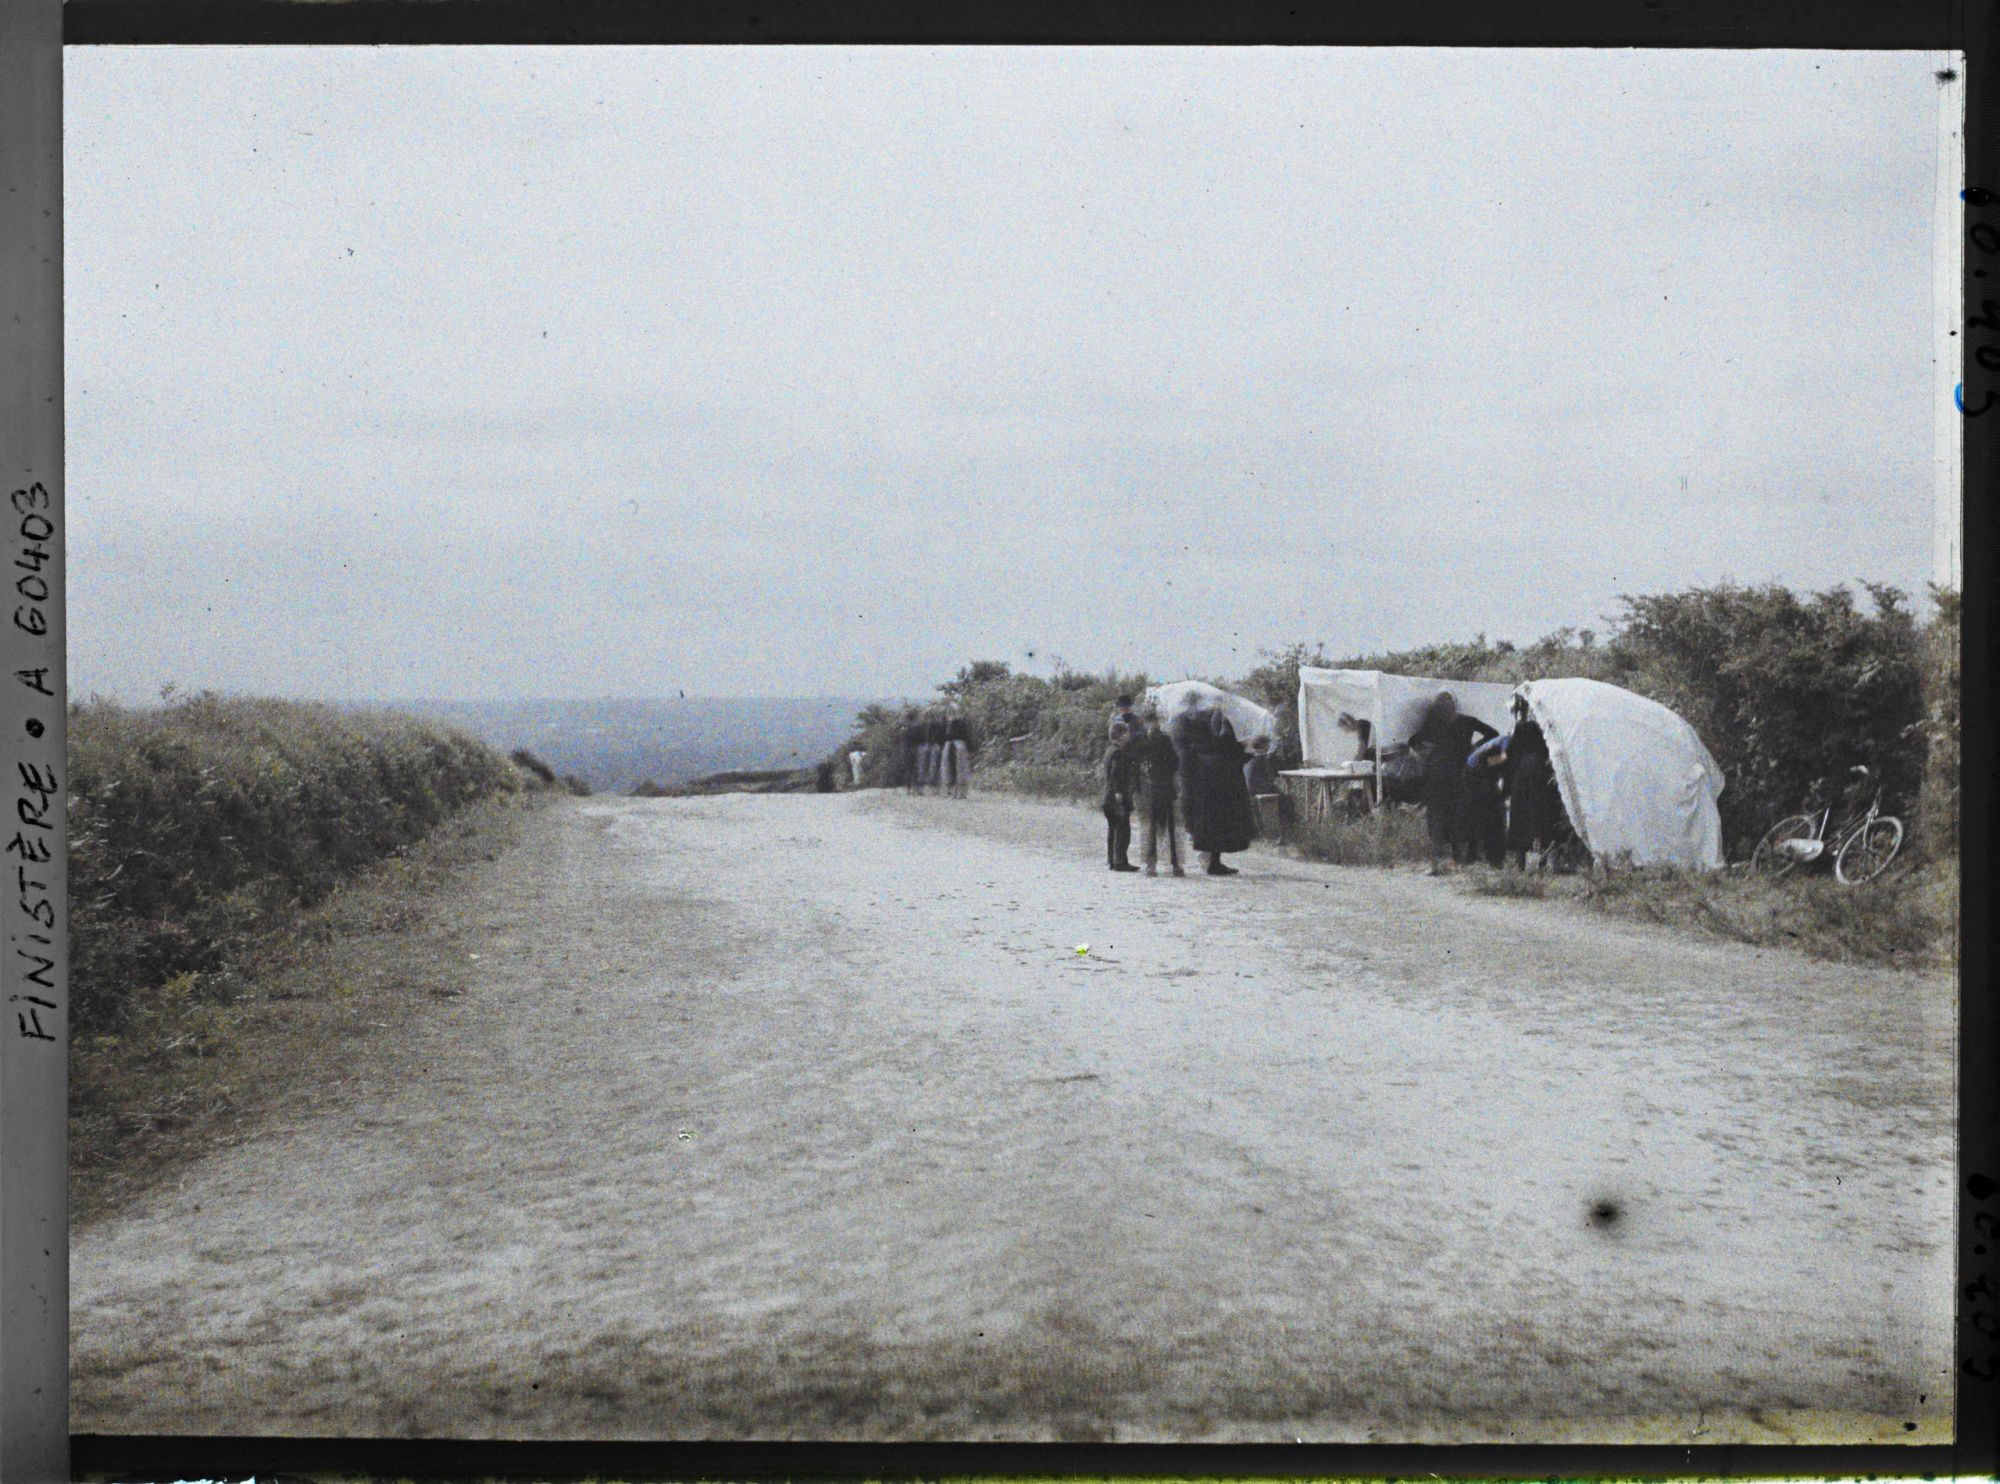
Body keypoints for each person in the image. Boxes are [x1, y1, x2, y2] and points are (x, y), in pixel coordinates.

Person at [1409, 691, 1498, 872]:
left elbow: (1493, 734)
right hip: (1448, 776)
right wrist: (1475, 748)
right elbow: (1414, 741)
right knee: (1449, 817)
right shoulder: (1456, 722)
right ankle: (1450, 859)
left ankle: (1449, 859)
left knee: (1450, 817)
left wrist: (1476, 748)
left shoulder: (1446, 723)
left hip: (1451, 776)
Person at [1184, 708, 1255, 875]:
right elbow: (1228, 752)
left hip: (1209, 778)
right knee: (1219, 822)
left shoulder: (1204, 724)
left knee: (1213, 822)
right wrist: (1247, 749)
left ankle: (1211, 860)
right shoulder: (1222, 721)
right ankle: (1213, 862)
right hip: (1221, 782)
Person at [1500, 699, 1570, 868]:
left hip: (1522, 777)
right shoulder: (1547, 728)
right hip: (1542, 776)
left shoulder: (1519, 729)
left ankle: (1521, 863)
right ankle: (1544, 861)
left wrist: (1504, 786)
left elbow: (1507, 757)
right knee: (1543, 818)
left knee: (1520, 819)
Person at [1136, 702, 1184, 876]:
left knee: (1150, 826)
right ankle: (1175, 864)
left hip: (1149, 787)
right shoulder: (1164, 739)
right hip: (1164, 785)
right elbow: (1175, 762)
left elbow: (1137, 763)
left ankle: (1151, 864)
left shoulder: (1141, 740)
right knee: (1169, 826)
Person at [1102, 721, 1140, 871]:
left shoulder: (1109, 751)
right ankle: (1120, 861)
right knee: (1122, 830)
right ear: (1122, 735)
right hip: (1117, 796)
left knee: (1113, 829)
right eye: (1127, 733)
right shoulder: (1118, 752)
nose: (1129, 736)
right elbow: (1116, 773)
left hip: (1108, 795)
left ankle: (1112, 860)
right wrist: (1119, 792)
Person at [941, 709, 974, 799]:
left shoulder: (948, 724)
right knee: (961, 769)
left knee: (950, 769)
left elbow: (945, 736)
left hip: (949, 746)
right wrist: (971, 749)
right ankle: (961, 793)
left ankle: (952, 792)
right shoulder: (963, 723)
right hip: (960, 746)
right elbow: (967, 737)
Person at [900, 709, 921, 793]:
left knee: (908, 769)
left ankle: (909, 788)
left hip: (907, 749)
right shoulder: (916, 727)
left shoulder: (904, 729)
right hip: (914, 749)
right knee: (915, 769)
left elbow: (901, 739)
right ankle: (915, 788)